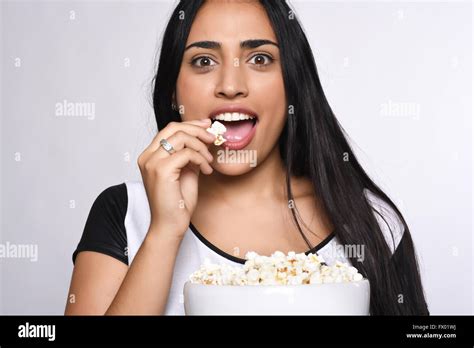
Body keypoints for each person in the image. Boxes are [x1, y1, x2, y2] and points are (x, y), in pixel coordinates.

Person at [65, 0, 429, 315]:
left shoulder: (373, 223)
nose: (230, 84)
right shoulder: (125, 213)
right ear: (173, 90)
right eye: (204, 60)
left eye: (259, 58)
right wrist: (164, 232)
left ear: (293, 84)